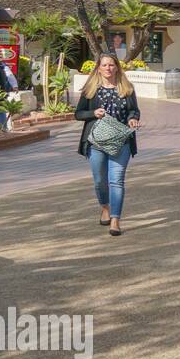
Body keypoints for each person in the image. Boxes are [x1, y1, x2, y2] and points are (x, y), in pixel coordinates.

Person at [75, 53, 142, 236]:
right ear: (98, 68)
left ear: (117, 68)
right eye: (104, 65)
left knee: (117, 180)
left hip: (121, 141)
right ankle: (105, 206)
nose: (108, 68)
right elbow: (78, 113)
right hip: (96, 141)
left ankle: (115, 219)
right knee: (99, 181)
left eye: (111, 65)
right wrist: (93, 113)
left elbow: (134, 110)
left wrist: (133, 119)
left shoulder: (126, 88)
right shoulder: (90, 89)